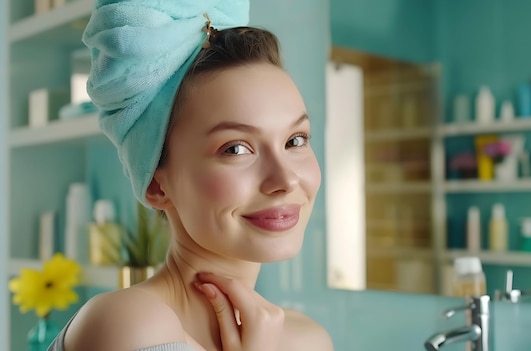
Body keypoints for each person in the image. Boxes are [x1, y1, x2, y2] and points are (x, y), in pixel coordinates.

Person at [48, 0, 333, 350]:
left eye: (295, 140)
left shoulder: (306, 339)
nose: (286, 180)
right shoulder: (130, 324)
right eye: (236, 149)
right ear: (155, 183)